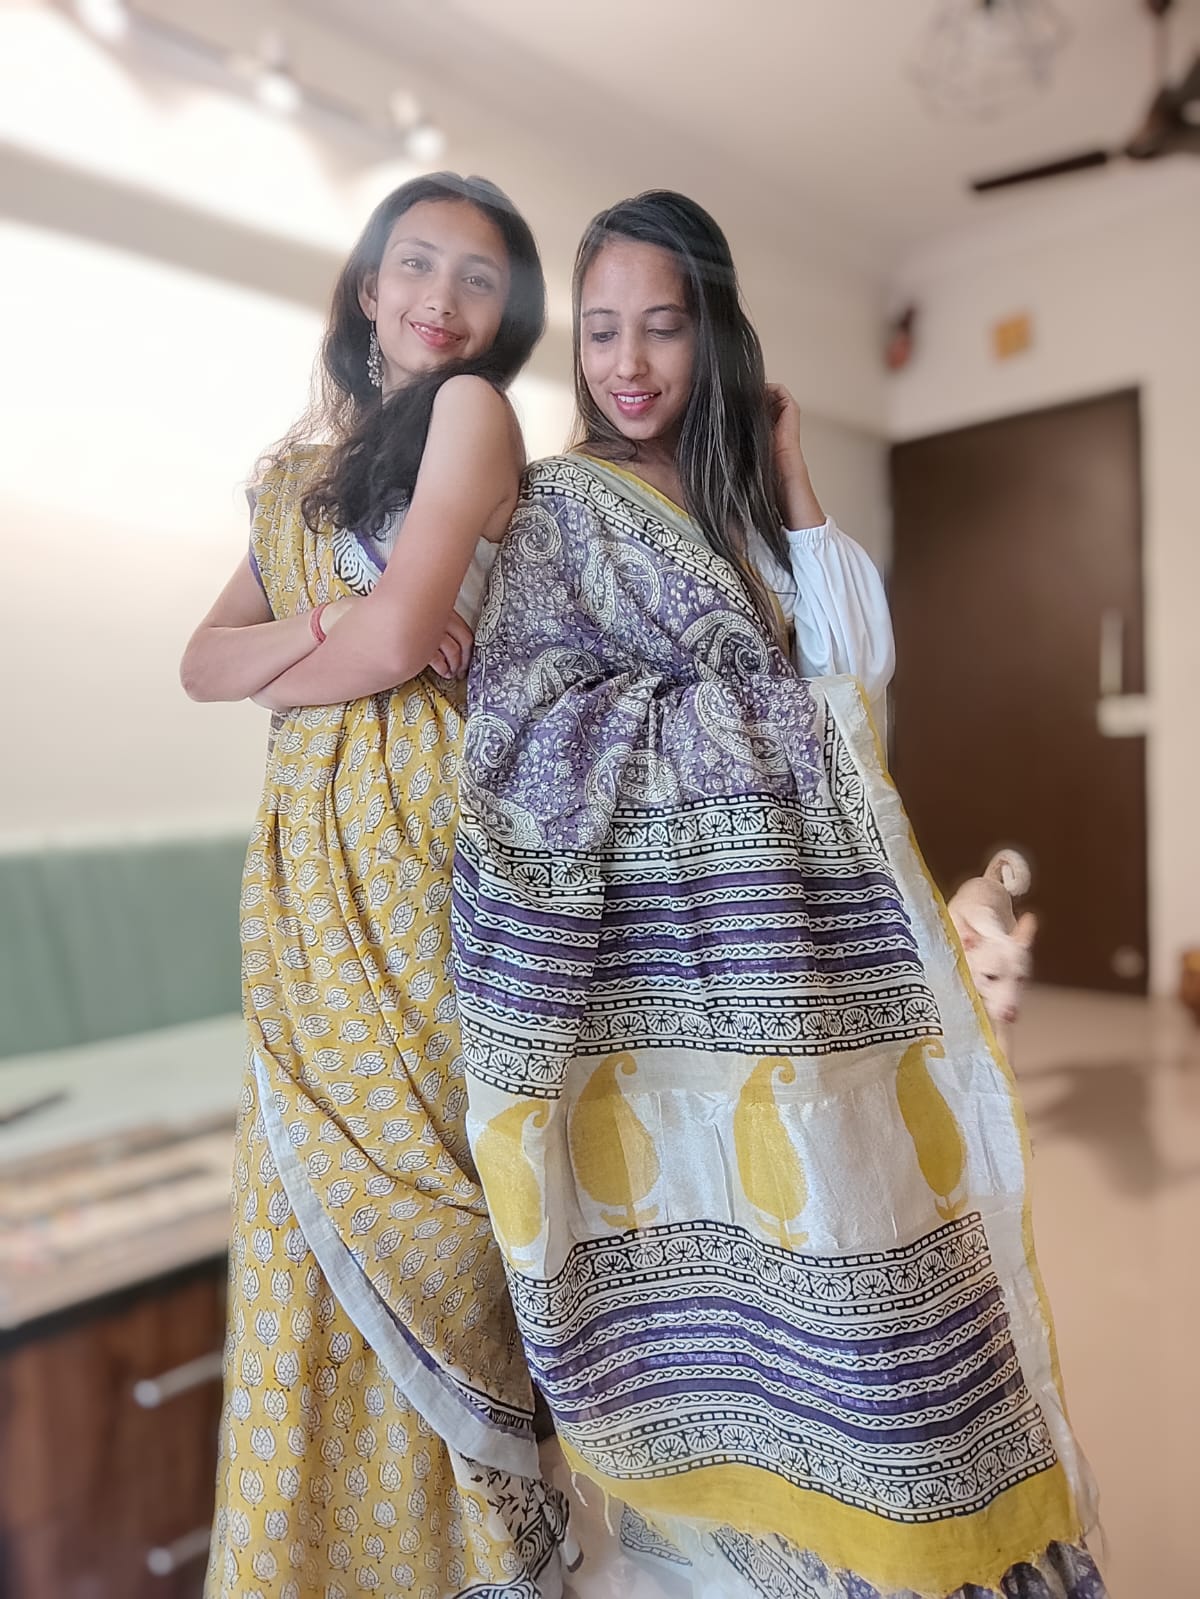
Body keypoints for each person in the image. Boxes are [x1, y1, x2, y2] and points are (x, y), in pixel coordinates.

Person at [452, 191, 1106, 1599]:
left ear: (716, 336)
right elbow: (526, 718)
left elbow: (853, 666)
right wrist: (736, 723)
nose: (629, 363)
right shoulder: (562, 506)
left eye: (663, 328)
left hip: (809, 954)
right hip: (674, 970)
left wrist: (791, 467)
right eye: (603, 331)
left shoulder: (739, 498)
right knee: (741, 1290)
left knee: (872, 1250)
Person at [181, 172, 570, 1599]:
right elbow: (201, 663)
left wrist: (323, 644)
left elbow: (406, 644)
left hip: (418, 840)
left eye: (479, 278)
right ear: (367, 286)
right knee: (303, 1208)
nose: (441, 298)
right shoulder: (301, 472)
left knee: (428, 1206)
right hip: (303, 856)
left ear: (506, 316)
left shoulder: (472, 414)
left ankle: (475, 1554)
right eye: (415, 264)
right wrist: (333, 622)